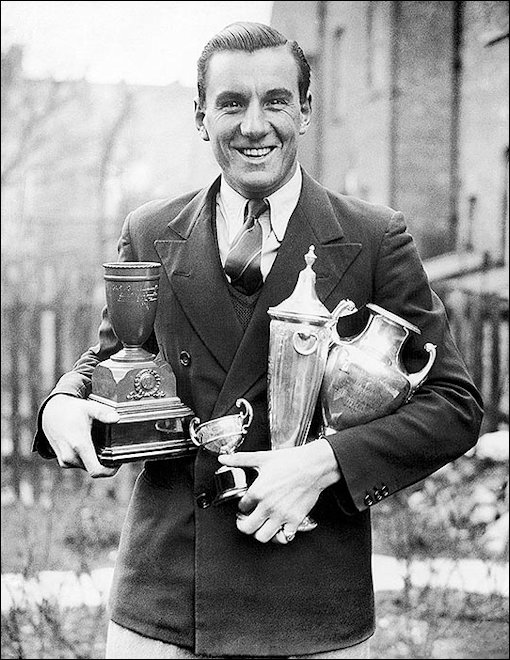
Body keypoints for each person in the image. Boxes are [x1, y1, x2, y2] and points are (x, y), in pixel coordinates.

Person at [34, 21, 483, 660]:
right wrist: (62, 404)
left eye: (275, 101)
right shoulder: (150, 230)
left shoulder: (374, 238)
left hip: (309, 612)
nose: (253, 124)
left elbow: (454, 405)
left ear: (304, 111)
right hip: (163, 611)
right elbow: (113, 358)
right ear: (200, 117)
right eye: (230, 103)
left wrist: (323, 463)